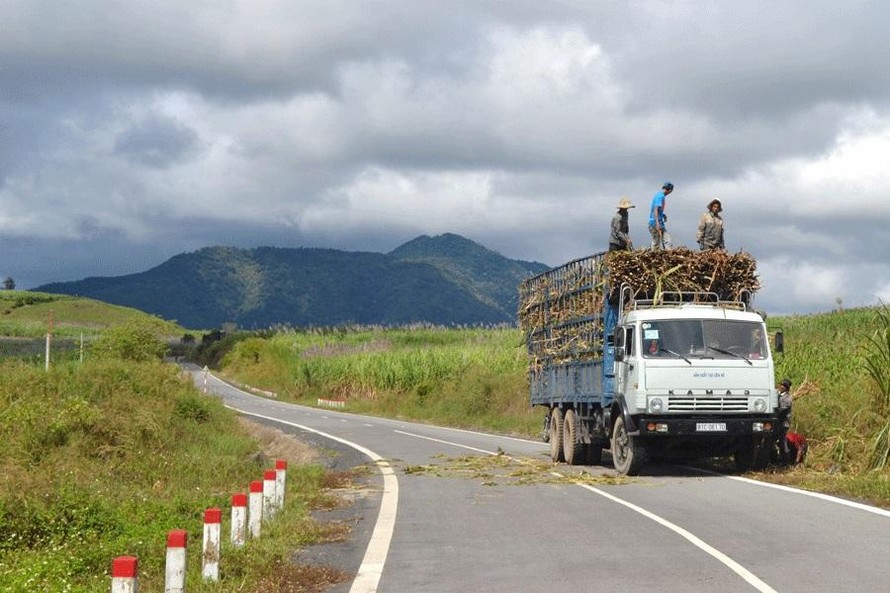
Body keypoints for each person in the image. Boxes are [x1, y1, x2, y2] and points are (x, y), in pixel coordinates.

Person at [648, 182, 673, 249]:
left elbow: (658, 210)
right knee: (656, 242)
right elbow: (655, 209)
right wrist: (657, 223)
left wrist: (662, 215)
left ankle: (668, 253)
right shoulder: (660, 196)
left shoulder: (660, 195)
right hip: (654, 223)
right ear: (670, 190)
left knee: (667, 240)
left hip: (659, 222)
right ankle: (653, 253)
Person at [777, 378, 793, 464]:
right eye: (781, 385)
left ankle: (786, 461)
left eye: (784, 386)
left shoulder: (787, 398)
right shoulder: (778, 395)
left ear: (787, 388)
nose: (782, 387)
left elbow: (782, 410)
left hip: (783, 424)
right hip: (777, 423)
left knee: (783, 443)